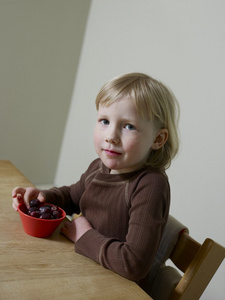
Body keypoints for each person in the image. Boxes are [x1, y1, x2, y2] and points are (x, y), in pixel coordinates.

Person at [12, 72, 180, 290]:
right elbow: (73, 196)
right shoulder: (99, 167)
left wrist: (84, 236)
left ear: (157, 139)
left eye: (128, 126)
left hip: (114, 289)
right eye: (105, 121)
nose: (111, 135)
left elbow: (134, 264)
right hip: (84, 269)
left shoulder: (150, 186)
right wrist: (43, 196)